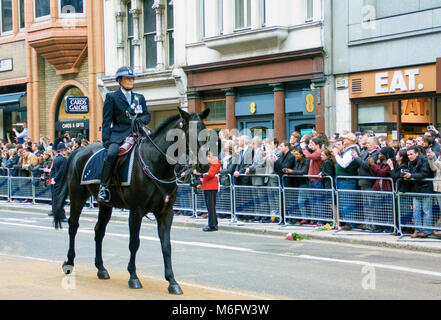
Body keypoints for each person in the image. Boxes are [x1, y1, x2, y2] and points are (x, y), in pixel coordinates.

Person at [98, 66, 151, 202]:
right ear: (120, 80)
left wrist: (141, 119)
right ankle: (103, 187)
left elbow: (147, 115)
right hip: (119, 133)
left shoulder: (139, 97)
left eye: (132, 78)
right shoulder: (112, 97)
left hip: (138, 132)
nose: (131, 80)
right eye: (128, 78)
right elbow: (107, 120)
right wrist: (106, 139)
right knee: (111, 154)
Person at [404, 146, 434, 238]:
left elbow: (424, 174)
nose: (409, 156)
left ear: (417, 153)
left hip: (425, 189)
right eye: (408, 154)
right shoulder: (411, 162)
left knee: (426, 211)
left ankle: (426, 230)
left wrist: (411, 175)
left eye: (411, 154)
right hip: (416, 189)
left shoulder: (424, 160)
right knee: (416, 211)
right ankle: (417, 230)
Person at [193, 151, 221, 232]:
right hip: (207, 185)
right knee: (210, 207)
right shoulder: (209, 161)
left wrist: (200, 174)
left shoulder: (214, 161)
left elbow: (210, 174)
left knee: (211, 207)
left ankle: (212, 225)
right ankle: (213, 223)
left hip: (211, 186)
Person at [51, 142, 69, 223]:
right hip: (61, 182)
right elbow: (62, 172)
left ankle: (57, 214)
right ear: (62, 151)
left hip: (56, 182)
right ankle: (61, 216)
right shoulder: (63, 160)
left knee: (57, 199)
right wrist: (57, 178)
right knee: (61, 200)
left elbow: (53, 171)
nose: (66, 151)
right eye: (65, 150)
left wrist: (53, 179)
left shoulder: (55, 159)